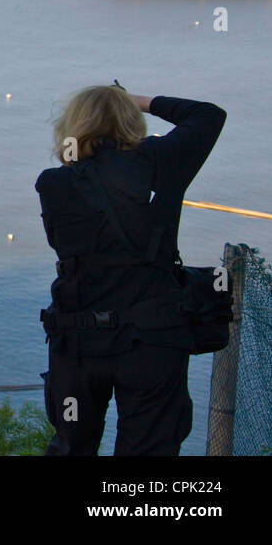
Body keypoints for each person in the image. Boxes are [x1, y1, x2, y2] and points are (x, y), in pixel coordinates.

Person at [37, 85, 226, 455]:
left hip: (79, 339)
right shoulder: (161, 161)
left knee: (72, 446)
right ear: (130, 120)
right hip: (153, 338)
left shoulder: (54, 184)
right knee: (150, 447)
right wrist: (138, 101)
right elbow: (208, 115)